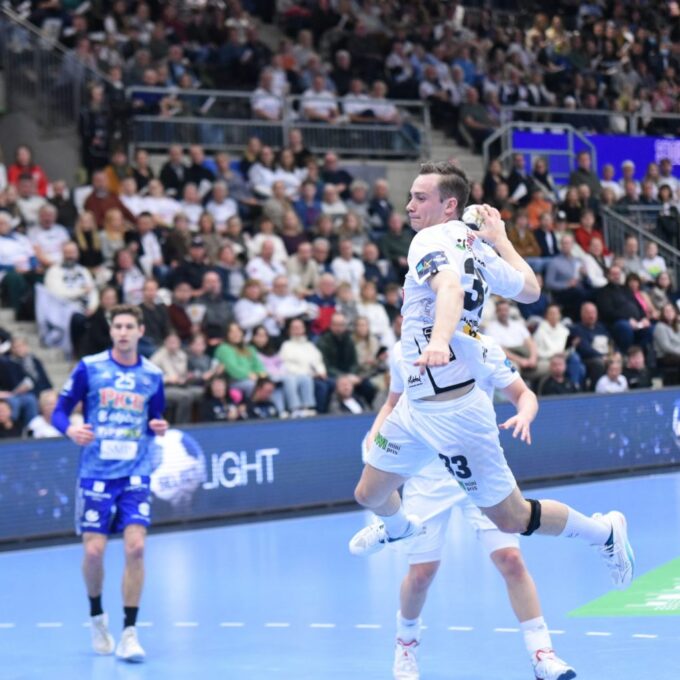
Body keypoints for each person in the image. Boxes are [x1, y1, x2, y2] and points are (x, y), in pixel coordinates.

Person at [349, 162, 634, 596]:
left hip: (455, 411)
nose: (409, 206)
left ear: (449, 205)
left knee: (512, 518)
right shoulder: (476, 249)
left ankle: (605, 533)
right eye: (410, 197)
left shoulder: (428, 239)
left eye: (420, 198)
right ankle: (399, 527)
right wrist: (501, 241)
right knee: (369, 494)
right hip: (415, 407)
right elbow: (530, 289)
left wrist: (439, 340)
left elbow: (450, 289)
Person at [370, 340, 575, 680]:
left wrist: (524, 414)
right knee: (421, 575)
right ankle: (406, 643)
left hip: (478, 468)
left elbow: (524, 394)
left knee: (511, 559)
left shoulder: (481, 346)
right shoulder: (403, 349)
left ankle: (543, 655)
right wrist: (375, 437)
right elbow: (393, 402)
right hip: (427, 476)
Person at [51, 304, 168, 662]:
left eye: (129, 326)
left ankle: (130, 633)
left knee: (136, 548)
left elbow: (156, 416)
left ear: (140, 331)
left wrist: (158, 426)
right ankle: (96, 616)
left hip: (135, 471)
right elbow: (58, 411)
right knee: (93, 552)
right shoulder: (90, 367)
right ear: (111, 330)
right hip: (96, 472)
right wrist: (71, 430)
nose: (123, 332)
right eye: (118, 326)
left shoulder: (152, 375)